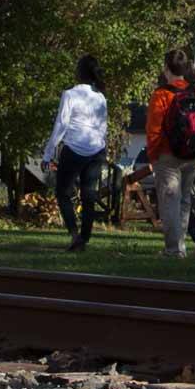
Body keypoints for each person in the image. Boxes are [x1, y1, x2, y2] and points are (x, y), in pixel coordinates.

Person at [141, 48, 195, 259]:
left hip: (167, 155)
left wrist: (153, 156)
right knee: (184, 201)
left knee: (169, 200)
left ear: (166, 69)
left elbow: (153, 129)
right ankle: (180, 246)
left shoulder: (161, 95)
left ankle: (173, 250)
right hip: (192, 156)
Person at [48, 55, 111, 253]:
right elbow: (103, 126)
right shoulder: (100, 97)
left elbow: (61, 124)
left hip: (74, 149)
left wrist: (48, 152)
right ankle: (84, 237)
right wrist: (99, 145)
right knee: (89, 195)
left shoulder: (70, 95)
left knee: (63, 192)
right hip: (96, 150)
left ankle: (75, 234)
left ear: (79, 72)